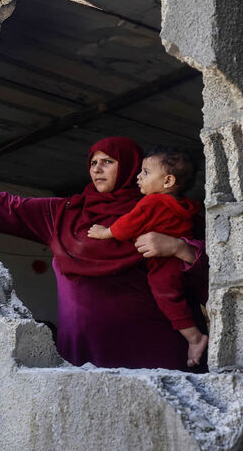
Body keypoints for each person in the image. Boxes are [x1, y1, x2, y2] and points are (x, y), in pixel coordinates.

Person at [0, 137, 207, 370]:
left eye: (108, 161)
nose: (97, 169)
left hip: (155, 347)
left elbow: (216, 270)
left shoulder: (166, 211)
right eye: (93, 162)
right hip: (83, 349)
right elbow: (5, 206)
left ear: (130, 167)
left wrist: (179, 248)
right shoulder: (64, 213)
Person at [87, 147, 207, 367]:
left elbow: (128, 224)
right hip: (184, 264)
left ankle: (194, 338)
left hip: (165, 264)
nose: (138, 177)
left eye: (145, 172)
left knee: (165, 294)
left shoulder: (152, 202)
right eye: (93, 163)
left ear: (168, 181)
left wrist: (105, 232)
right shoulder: (185, 205)